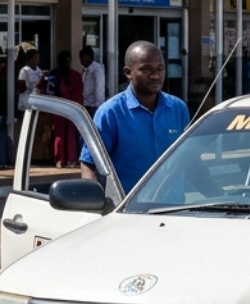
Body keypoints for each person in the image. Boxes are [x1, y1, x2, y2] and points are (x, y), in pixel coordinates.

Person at [80, 41, 189, 193]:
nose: (155, 75)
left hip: (173, 210)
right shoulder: (111, 113)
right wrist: (93, 199)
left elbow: (188, 159)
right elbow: (90, 164)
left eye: (160, 68)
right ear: (128, 73)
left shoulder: (178, 109)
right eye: (146, 69)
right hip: (128, 212)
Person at [50, 50, 83, 166]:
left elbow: (50, 92)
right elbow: (79, 93)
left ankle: (59, 159)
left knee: (59, 134)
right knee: (71, 134)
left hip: (57, 107)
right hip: (72, 107)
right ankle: (71, 159)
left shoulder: (53, 75)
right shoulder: (76, 75)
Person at [79, 46, 106, 116]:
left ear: (90, 57)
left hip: (93, 106)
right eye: (80, 58)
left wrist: (98, 107)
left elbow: (99, 89)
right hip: (85, 105)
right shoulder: (85, 70)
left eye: (83, 57)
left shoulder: (97, 69)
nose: (81, 60)